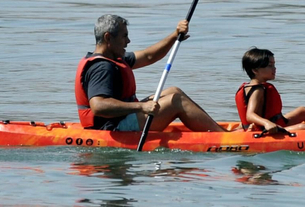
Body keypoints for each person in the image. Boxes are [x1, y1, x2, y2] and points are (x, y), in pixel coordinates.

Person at [74, 13, 226, 134]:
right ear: (108, 37)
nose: (128, 41)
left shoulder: (115, 57)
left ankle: (216, 129)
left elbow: (149, 56)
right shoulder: (102, 68)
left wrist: (175, 35)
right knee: (175, 101)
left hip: (120, 119)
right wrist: (141, 107)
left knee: (174, 91)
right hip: (111, 128)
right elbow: (99, 106)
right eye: (124, 36)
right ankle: (225, 138)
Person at [234, 48, 305, 134]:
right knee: (303, 127)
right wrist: (267, 123)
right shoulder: (257, 90)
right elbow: (250, 115)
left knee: (302, 111)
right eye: (270, 66)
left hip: (274, 123)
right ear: (255, 70)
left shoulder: (255, 86)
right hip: (264, 130)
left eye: (274, 65)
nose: (274, 68)